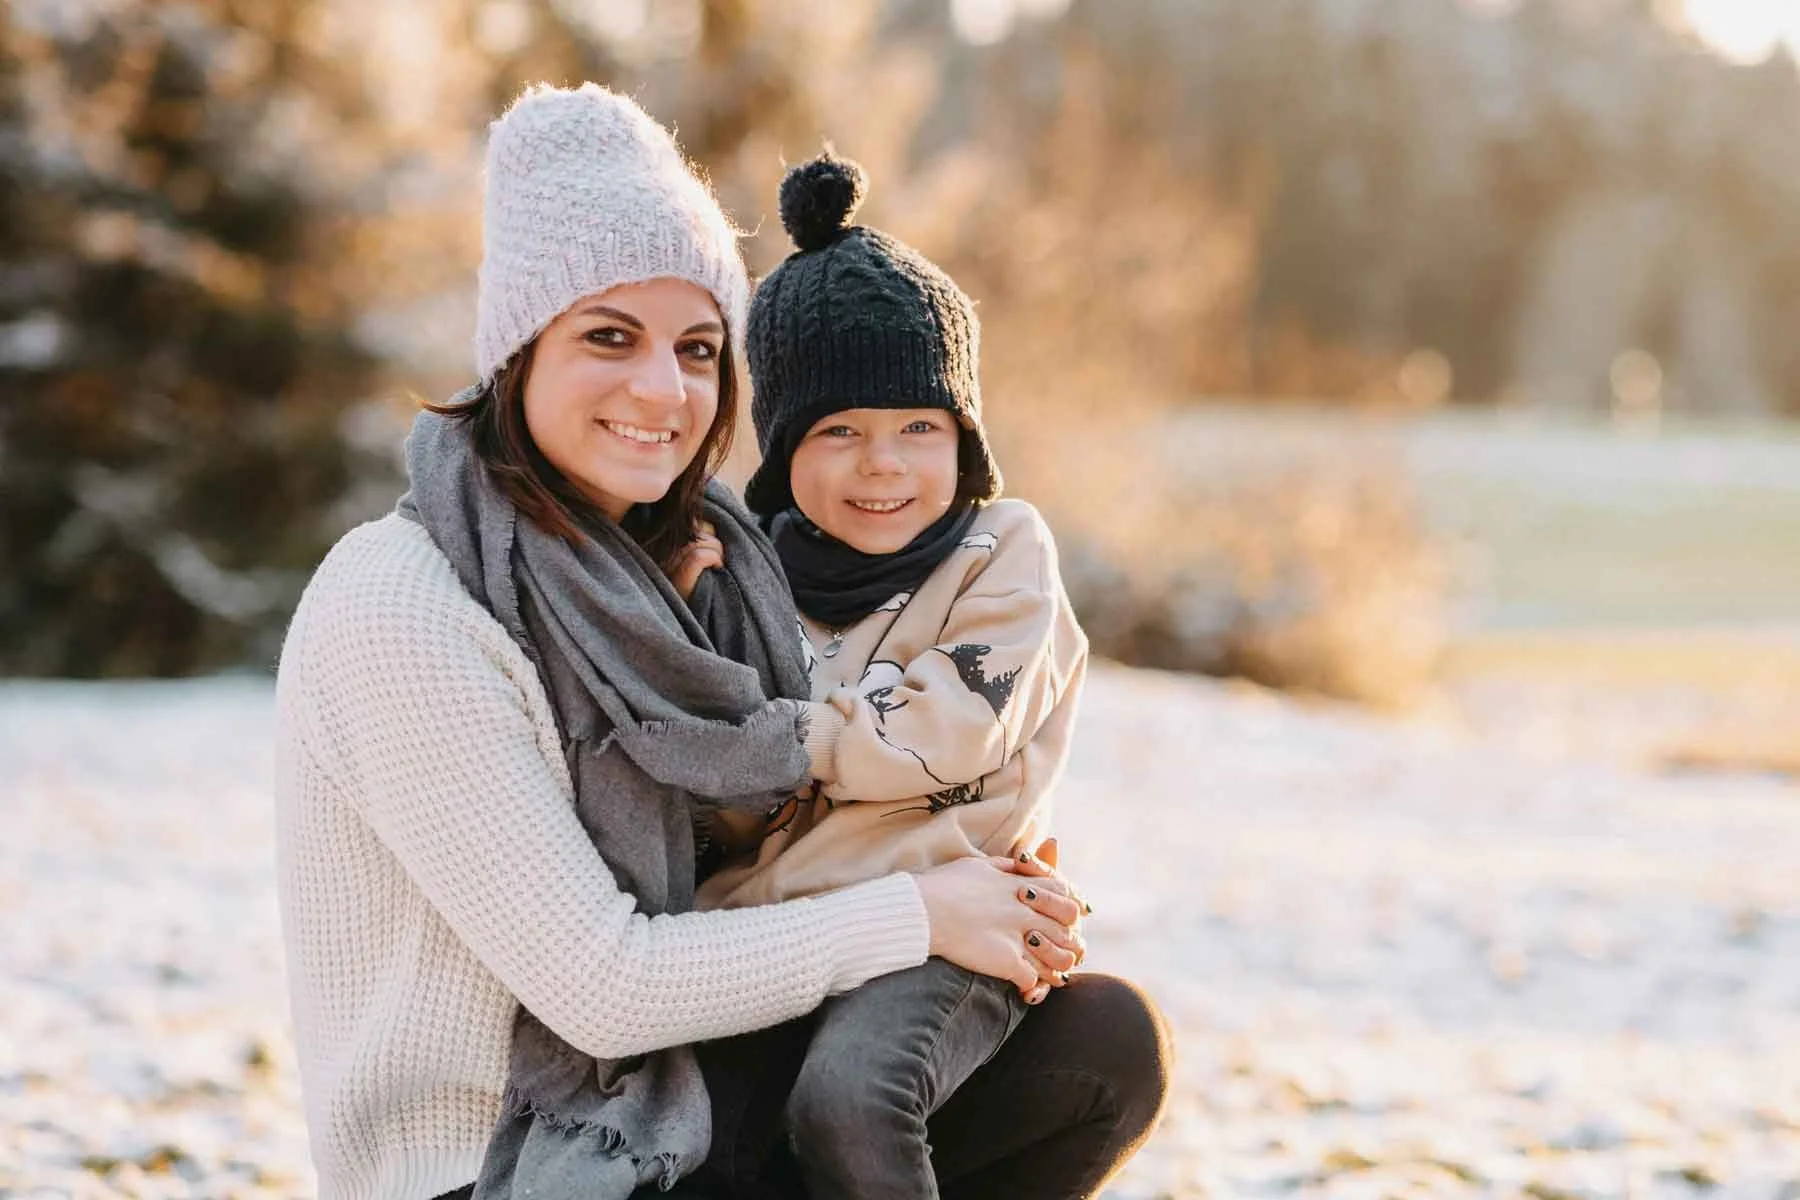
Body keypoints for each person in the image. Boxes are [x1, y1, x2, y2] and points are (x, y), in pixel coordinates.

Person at [272, 83, 1163, 1200]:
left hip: (669, 1097)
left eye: (697, 349)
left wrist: (950, 850)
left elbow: (744, 823)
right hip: (503, 1160)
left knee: (1098, 1044)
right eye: (610, 337)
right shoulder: (401, 603)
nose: (662, 387)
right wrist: (920, 908)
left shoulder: (665, 568)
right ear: (518, 354)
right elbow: (604, 984)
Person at [686, 150, 1093, 1200]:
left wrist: (791, 737)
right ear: (780, 450)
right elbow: (717, 800)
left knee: (853, 1099)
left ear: (966, 437)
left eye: (922, 427)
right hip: (776, 930)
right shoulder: (747, 578)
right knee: (700, 1136)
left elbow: (947, 728)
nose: (886, 464)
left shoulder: (1002, 556)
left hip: (949, 923)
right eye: (840, 431)